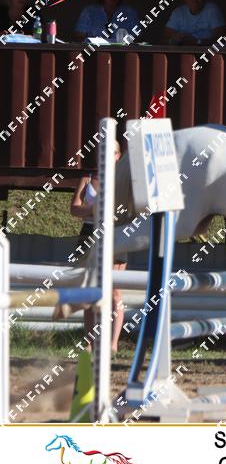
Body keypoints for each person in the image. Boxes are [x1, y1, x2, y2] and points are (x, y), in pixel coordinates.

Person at [69, 141, 127, 353]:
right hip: (89, 233)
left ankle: (113, 344)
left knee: (114, 291)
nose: (105, 156)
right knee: (89, 291)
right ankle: (89, 342)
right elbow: (74, 209)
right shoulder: (87, 178)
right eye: (102, 151)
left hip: (115, 233)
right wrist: (92, 210)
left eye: (111, 152)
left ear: (118, 155)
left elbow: (132, 210)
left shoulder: (124, 179)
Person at [73, 0, 139, 42]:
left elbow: (137, 38)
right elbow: (79, 36)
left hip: (124, 48)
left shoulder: (129, 12)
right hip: (94, 48)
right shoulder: (89, 12)